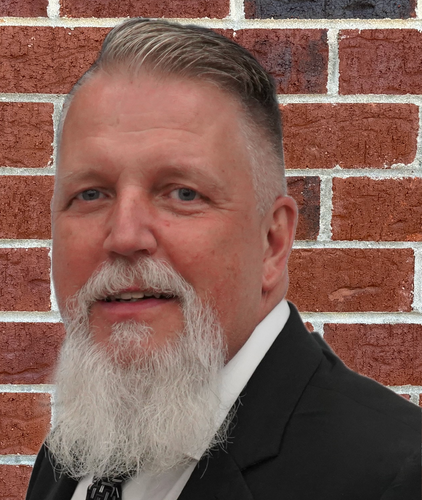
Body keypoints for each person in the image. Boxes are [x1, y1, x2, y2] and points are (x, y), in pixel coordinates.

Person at [26, 18, 421, 500]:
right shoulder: (75, 451)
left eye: (183, 193)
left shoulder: (396, 475)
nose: (125, 236)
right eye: (90, 194)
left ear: (272, 242)